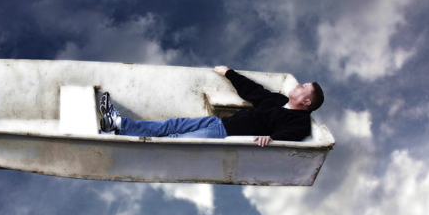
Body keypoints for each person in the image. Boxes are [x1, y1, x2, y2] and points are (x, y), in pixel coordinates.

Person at [99, 66, 324, 147]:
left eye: (304, 87)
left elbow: (292, 135)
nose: (299, 85)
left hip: (224, 134)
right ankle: (118, 124)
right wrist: (229, 73)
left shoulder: (300, 121)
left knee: (175, 140)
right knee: (170, 125)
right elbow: (252, 90)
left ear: (307, 102)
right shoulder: (278, 100)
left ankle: (113, 138)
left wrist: (273, 139)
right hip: (218, 122)